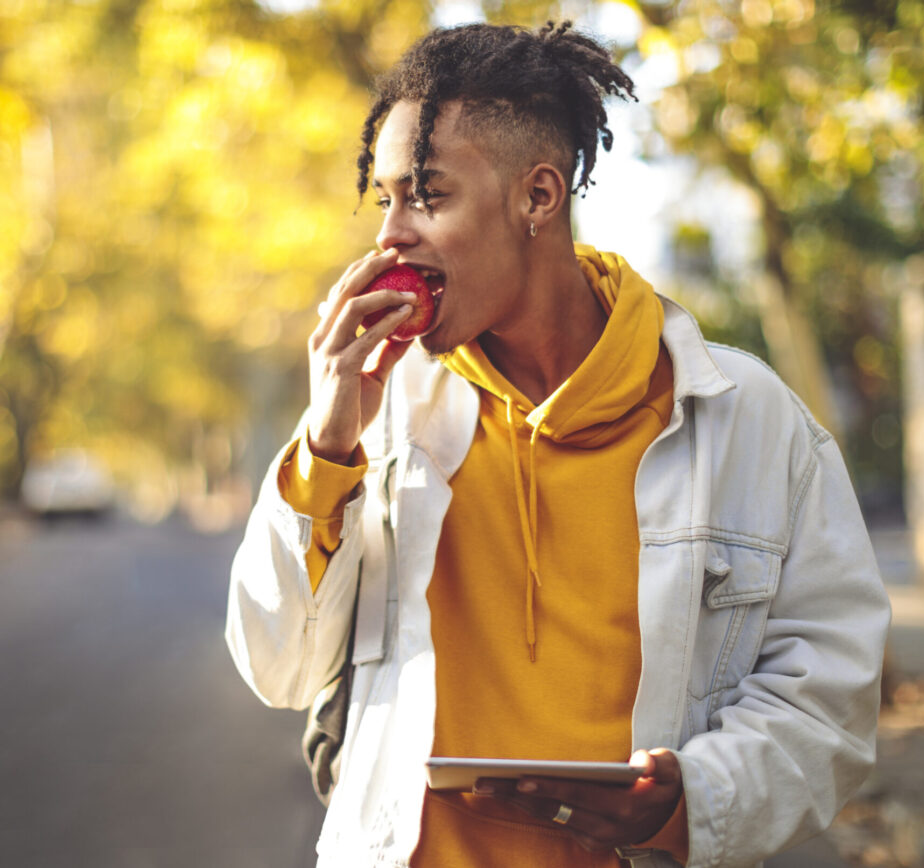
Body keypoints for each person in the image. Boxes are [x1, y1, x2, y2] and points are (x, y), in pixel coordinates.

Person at [225, 20, 890, 868]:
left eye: (427, 194)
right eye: (386, 197)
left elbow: (827, 705)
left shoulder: (750, 418)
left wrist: (690, 799)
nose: (390, 233)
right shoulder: (373, 414)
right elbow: (275, 667)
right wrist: (327, 441)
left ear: (538, 197)